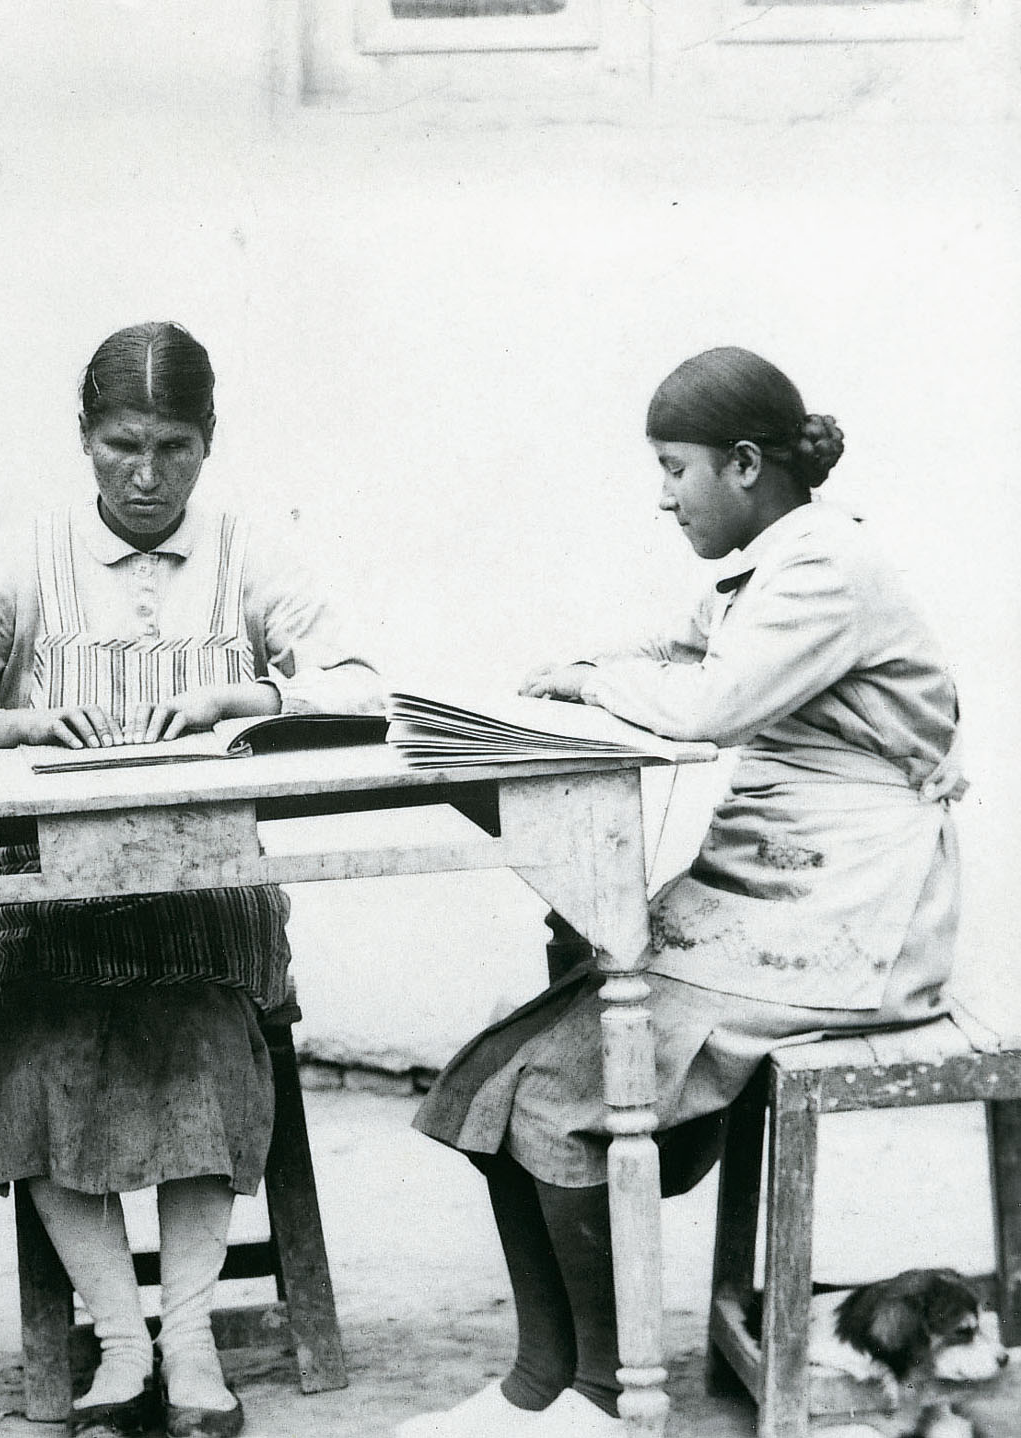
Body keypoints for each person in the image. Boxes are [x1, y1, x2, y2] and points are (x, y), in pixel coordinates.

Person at [400, 347, 965, 1438]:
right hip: (775, 887)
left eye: (674, 469)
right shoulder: (774, 565)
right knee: (500, 1070)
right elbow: (679, 646)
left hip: (851, 911)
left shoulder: (823, 569)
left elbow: (708, 703)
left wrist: (592, 682)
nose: (663, 497)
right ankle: (538, 1381)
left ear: (743, 463)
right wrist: (578, 670)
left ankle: (599, 1395)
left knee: (562, 1088)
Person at [0, 322, 383, 1438]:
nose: (148, 475)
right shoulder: (29, 561)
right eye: (123, 446)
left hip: (210, 899)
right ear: (84, 438)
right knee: (38, 1047)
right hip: (57, 903)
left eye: (174, 447)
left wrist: (244, 699)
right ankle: (121, 1341)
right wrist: (11, 724)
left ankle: (191, 1339)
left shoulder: (248, 556)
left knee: (201, 1038)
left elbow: (361, 685)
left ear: (209, 441)